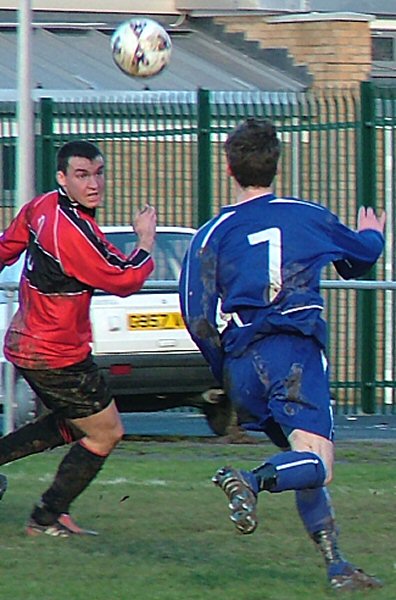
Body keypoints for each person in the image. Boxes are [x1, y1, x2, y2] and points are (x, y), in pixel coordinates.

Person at [179, 118, 385, 591]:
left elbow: (197, 316)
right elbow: (360, 261)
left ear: (229, 169)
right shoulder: (304, 215)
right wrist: (372, 232)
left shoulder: (210, 234)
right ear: (275, 163)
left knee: (301, 461)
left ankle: (337, 566)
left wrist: (224, 372)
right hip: (292, 351)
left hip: (240, 364)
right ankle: (249, 481)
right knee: (318, 463)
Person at [0, 140, 156, 537]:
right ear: (62, 178)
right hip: (54, 354)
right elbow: (123, 279)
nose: (94, 183)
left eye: (99, 173)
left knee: (73, 425)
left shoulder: (42, 208)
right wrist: (145, 242)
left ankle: (51, 513)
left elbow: (6, 248)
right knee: (106, 432)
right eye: (83, 175)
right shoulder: (72, 231)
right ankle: (46, 518)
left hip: (29, 344)